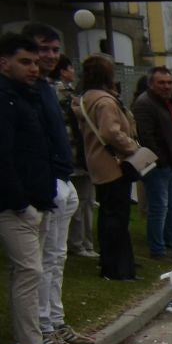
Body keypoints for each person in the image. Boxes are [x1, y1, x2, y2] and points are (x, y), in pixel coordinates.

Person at [1, 32, 70, 344]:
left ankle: (29, 339)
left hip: (38, 199)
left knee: (33, 270)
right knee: (30, 272)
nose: (33, 67)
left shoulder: (29, 96)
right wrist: (20, 203)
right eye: (24, 62)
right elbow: (5, 157)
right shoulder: (5, 100)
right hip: (16, 206)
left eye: (34, 61)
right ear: (5, 63)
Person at [72, 54, 142, 283]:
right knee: (117, 218)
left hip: (99, 162)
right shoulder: (105, 102)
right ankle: (118, 268)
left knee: (108, 215)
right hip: (114, 164)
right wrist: (132, 147)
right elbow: (110, 132)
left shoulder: (86, 99)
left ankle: (113, 263)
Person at [132, 66, 172, 258]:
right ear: (151, 84)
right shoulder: (145, 104)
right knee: (159, 207)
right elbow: (147, 136)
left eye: (169, 82)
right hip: (158, 164)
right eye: (161, 83)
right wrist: (162, 160)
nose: (167, 86)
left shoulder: (170, 102)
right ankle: (157, 248)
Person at [54, 57, 97, 260]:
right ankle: (77, 243)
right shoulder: (59, 93)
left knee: (86, 202)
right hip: (72, 155)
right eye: (70, 67)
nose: (73, 71)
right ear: (63, 71)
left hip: (82, 154)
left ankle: (85, 242)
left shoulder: (75, 94)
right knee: (76, 203)